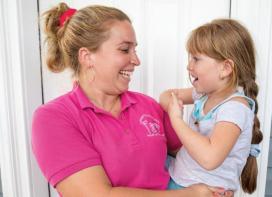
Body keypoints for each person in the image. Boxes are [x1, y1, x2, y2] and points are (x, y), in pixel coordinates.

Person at [31, 3, 233, 197]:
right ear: (87, 57)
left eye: (135, 50)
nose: (136, 60)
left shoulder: (148, 106)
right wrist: (189, 195)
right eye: (125, 49)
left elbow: (192, 157)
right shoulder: (54, 118)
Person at [159, 19, 263, 194]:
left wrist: (177, 120)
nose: (189, 65)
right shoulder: (204, 94)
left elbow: (210, 158)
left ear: (225, 68)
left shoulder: (234, 109)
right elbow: (165, 97)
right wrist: (173, 103)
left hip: (202, 190)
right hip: (181, 179)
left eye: (196, 59)